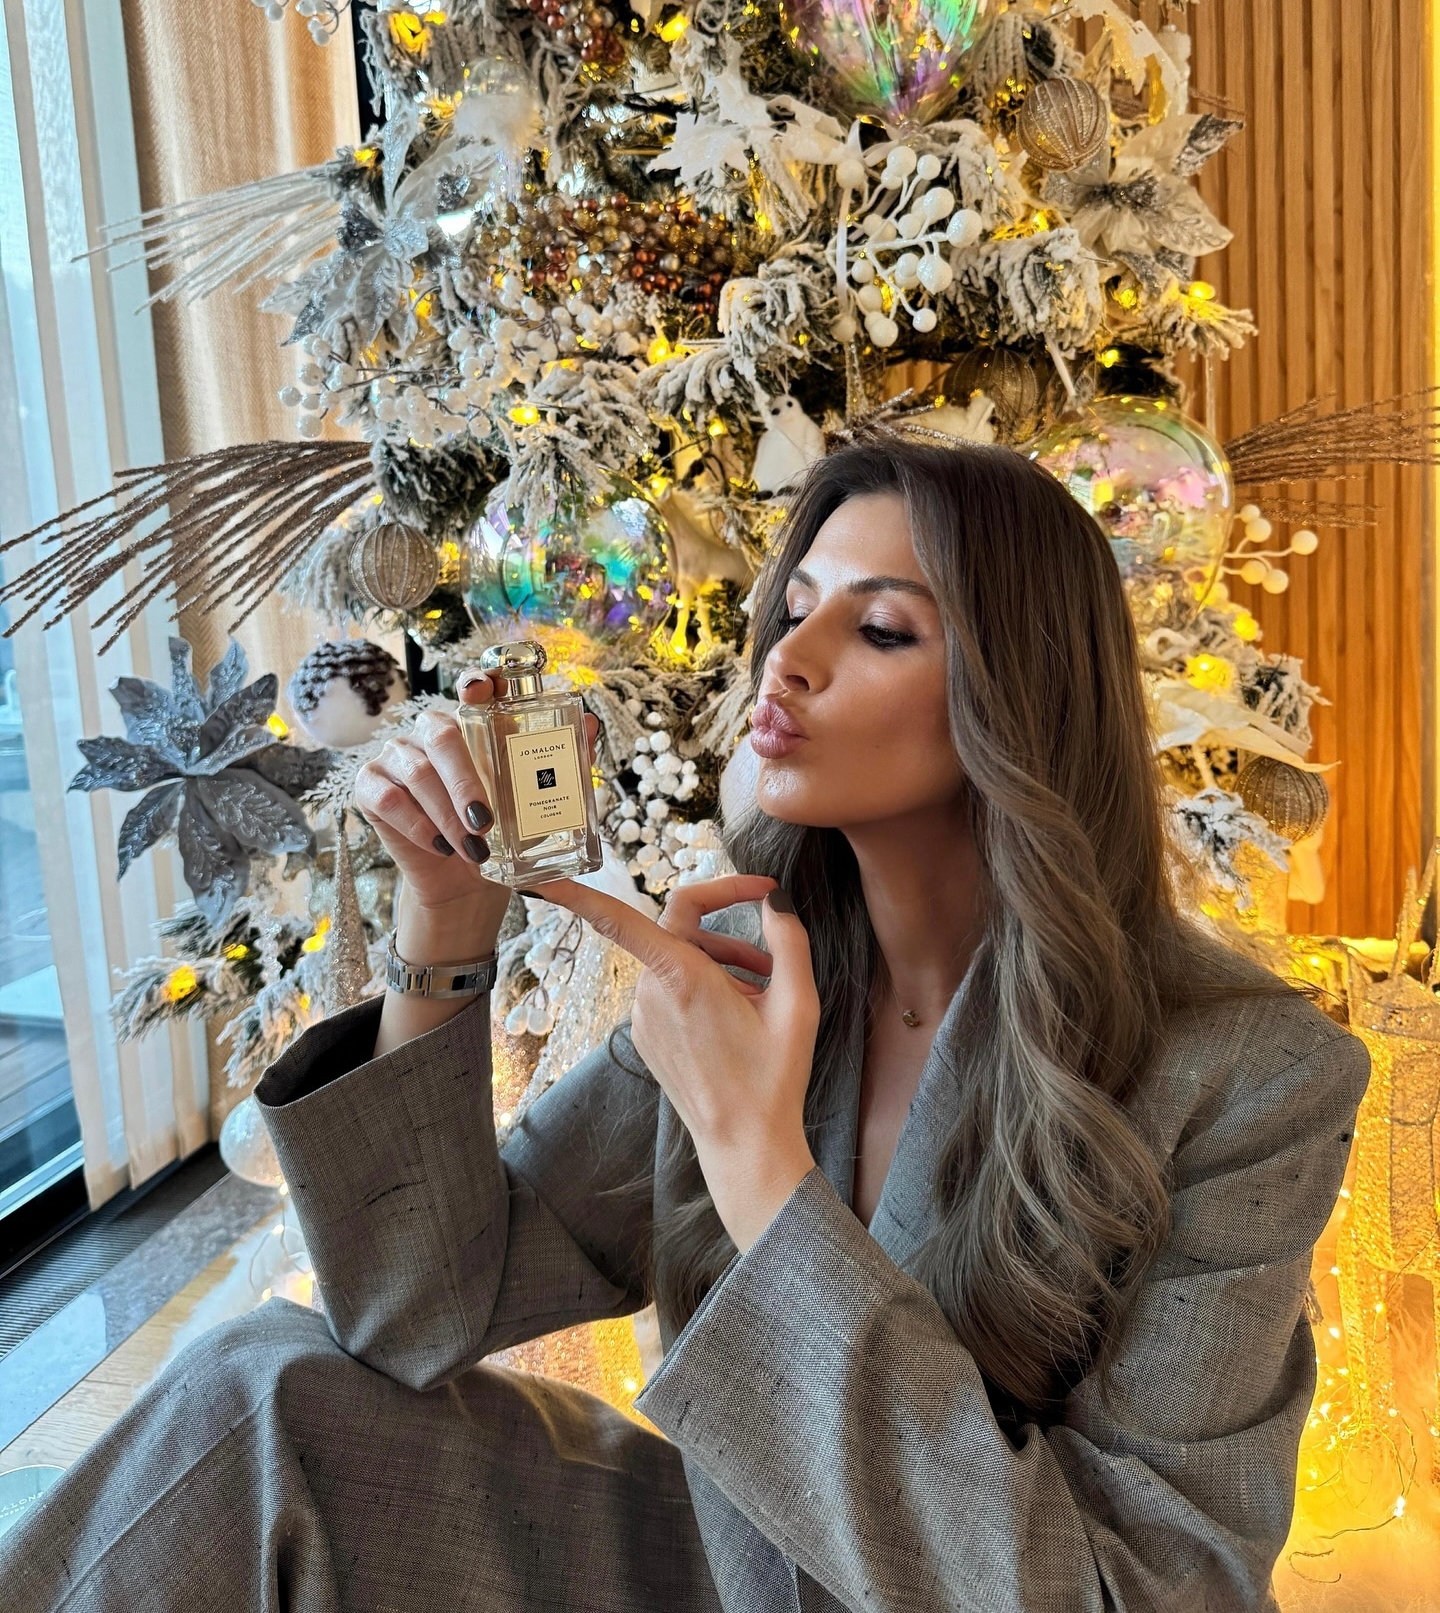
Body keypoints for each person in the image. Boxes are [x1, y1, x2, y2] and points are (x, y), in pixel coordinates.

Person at [0, 439, 1368, 1613]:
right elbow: (415, 1309)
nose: (790, 659)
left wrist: (757, 1162)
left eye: (881, 630)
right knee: (264, 1392)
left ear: (1020, 695)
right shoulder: (754, 968)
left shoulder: (1248, 1077)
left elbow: (1145, 1591)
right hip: (728, 1572)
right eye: (797, 607)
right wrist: (446, 935)